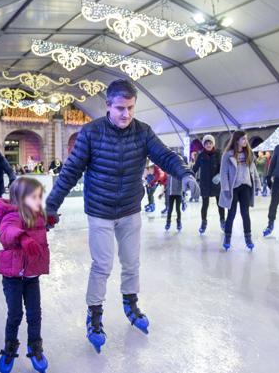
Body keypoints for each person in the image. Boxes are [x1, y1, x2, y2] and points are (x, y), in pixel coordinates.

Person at [44, 79, 199, 353]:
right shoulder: (91, 132)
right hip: (100, 210)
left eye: (130, 108)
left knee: (131, 262)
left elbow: (165, 156)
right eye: (120, 108)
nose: (125, 114)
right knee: (102, 265)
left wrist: (185, 173)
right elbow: (70, 171)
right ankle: (94, 315)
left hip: (129, 209)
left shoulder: (143, 132)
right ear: (108, 106)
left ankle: (131, 303)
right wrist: (52, 205)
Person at [0, 177, 50, 373]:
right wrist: (23, 237)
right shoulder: (11, 215)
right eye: (34, 197)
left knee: (35, 314)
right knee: (15, 314)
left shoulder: (37, 215)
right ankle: (10, 347)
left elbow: (40, 228)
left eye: (39, 197)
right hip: (13, 278)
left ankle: (35, 347)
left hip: (32, 277)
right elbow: (6, 232)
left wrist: (48, 221)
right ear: (21, 198)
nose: (38, 201)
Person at [219, 131, 261, 251]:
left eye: (246, 139)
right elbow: (223, 173)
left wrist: (258, 184)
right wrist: (226, 188)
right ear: (236, 140)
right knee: (231, 214)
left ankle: (248, 238)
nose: (245, 141)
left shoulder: (249, 153)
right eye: (243, 139)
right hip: (233, 188)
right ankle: (227, 237)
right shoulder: (228, 155)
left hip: (246, 187)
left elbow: (253, 170)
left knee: (245, 214)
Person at [192, 134, 225, 234]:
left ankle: (223, 221)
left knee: (220, 204)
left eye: (210, 143)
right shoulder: (201, 155)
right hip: (205, 184)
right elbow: (195, 168)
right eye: (206, 143)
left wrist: (219, 175)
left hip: (216, 183)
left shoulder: (218, 153)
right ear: (204, 145)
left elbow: (223, 167)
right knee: (204, 205)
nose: (208, 145)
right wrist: (189, 175)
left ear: (213, 144)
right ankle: (203, 222)